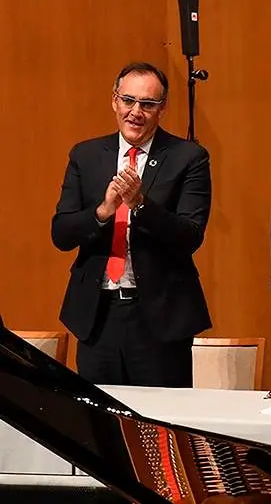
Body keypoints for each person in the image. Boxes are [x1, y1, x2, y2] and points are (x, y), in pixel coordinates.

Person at [51, 62, 212, 388]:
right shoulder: (86, 155)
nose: (135, 112)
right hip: (98, 318)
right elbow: (62, 233)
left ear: (162, 108)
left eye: (147, 104)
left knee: (163, 427)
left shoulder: (188, 157)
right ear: (114, 100)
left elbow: (190, 236)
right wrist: (103, 210)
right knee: (100, 426)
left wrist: (141, 204)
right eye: (128, 101)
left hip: (158, 318)